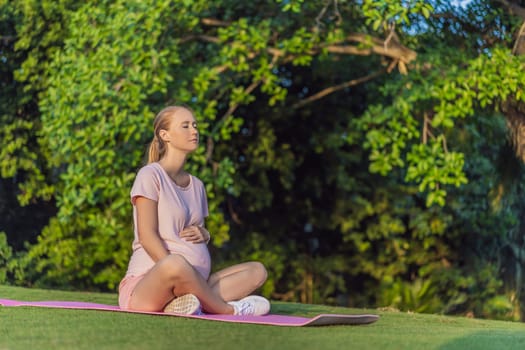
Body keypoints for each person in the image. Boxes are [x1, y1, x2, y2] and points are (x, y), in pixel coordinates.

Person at [118, 105, 270, 316]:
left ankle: (186, 302)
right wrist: (178, 270)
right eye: (186, 126)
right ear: (165, 135)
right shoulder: (150, 175)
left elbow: (197, 232)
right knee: (175, 264)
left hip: (196, 282)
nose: (194, 131)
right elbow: (146, 236)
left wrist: (205, 234)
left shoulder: (197, 185)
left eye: (195, 125)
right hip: (146, 286)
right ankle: (229, 310)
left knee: (256, 271)